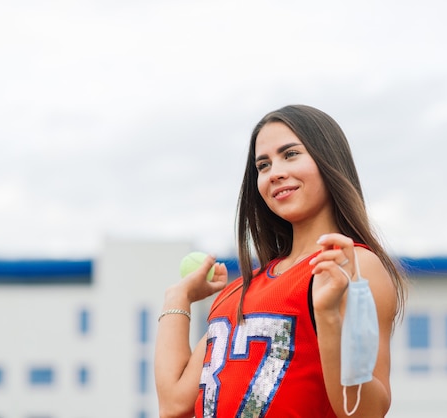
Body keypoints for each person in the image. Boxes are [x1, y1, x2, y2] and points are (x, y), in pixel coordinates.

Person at [154, 104, 407, 418]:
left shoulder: (350, 264)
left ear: (328, 160)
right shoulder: (240, 290)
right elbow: (174, 405)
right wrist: (177, 298)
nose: (275, 173)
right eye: (263, 165)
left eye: (290, 154)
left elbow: (365, 412)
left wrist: (328, 318)